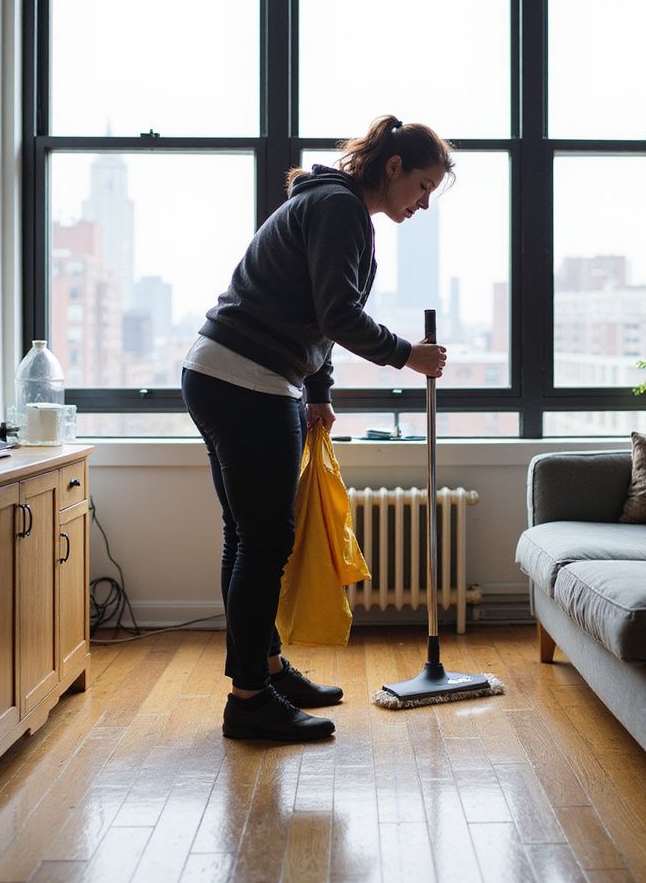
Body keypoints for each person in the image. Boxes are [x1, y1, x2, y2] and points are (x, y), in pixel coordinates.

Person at [182, 115, 454, 743]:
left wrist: (317, 391)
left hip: (221, 373)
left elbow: (315, 317)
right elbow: (340, 313)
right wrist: (409, 355)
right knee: (266, 541)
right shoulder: (340, 209)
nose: (423, 202)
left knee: (247, 536)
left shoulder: (332, 205)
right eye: (422, 186)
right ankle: (249, 700)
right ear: (393, 168)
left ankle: (265, 670)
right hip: (246, 381)